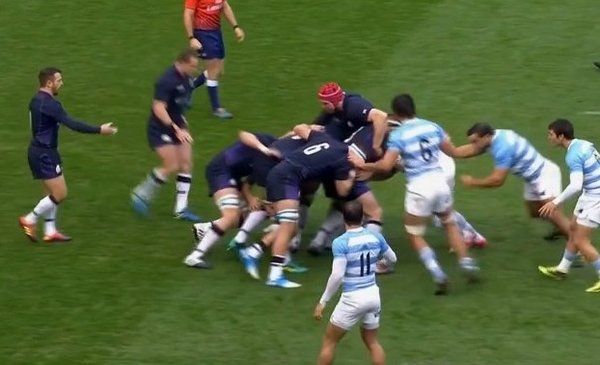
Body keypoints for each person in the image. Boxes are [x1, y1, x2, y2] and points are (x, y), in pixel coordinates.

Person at [349, 94, 479, 295]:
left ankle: (437, 273)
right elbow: (453, 151)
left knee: (414, 233)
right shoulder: (433, 126)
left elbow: (385, 165)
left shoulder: (398, 136)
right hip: (440, 183)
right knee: (449, 223)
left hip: (419, 188)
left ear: (397, 113)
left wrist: (363, 165)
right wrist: (479, 148)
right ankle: (467, 263)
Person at [19, 67, 117, 242]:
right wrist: (100, 130)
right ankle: (30, 219)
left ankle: (50, 230)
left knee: (49, 192)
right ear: (49, 83)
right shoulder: (51, 104)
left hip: (37, 150)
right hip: (45, 154)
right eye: (59, 81)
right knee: (60, 193)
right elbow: (72, 124)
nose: (61, 84)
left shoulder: (35, 100)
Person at [264, 125, 356, 288]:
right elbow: (342, 191)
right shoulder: (344, 159)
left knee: (289, 226)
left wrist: (310, 127)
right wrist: (351, 176)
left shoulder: (325, 138)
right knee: (287, 227)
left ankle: (259, 254)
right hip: (287, 180)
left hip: (281, 173)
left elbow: (299, 128)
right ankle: (273, 274)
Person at [313, 200, 396, 365]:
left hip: (352, 298)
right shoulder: (375, 236)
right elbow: (392, 258)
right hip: (373, 295)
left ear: (344, 218)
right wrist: (381, 264)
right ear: (363, 217)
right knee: (372, 342)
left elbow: (337, 276)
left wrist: (323, 301)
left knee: (330, 341)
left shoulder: (341, 243)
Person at [456, 122, 571, 239]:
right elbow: (472, 149)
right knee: (535, 212)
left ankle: (579, 245)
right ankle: (562, 224)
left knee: (550, 212)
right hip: (532, 179)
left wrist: (473, 182)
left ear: (486, 137)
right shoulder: (493, 137)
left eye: (475, 141)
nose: (473, 145)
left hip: (544, 175)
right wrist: (449, 151)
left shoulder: (503, 147)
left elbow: (497, 180)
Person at [183, 132, 277, 269]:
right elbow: (244, 135)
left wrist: (251, 199)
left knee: (246, 215)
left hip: (233, 176)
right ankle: (194, 256)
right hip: (221, 170)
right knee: (231, 215)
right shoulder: (269, 142)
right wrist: (263, 148)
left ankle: (205, 228)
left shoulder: (276, 161)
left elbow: (249, 183)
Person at [131, 49, 201, 222]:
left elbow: (179, 105)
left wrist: (183, 123)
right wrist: (175, 127)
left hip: (179, 126)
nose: (194, 70)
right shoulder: (166, 80)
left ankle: (181, 209)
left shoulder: (187, 78)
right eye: (192, 66)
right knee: (172, 164)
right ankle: (140, 194)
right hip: (161, 128)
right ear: (181, 62)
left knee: (186, 163)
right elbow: (158, 108)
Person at [538, 119, 600, 293]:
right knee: (573, 229)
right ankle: (562, 269)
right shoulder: (583, 144)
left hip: (595, 197)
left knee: (581, 241)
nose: (548, 137)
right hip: (590, 193)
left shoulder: (573, 155)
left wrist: (554, 202)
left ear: (561, 136)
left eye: (551, 134)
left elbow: (575, 185)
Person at [184, 0, 245, 119]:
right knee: (213, 72)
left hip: (216, 32)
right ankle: (217, 108)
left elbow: (224, 6)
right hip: (202, 33)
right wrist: (191, 38)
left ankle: (189, 86)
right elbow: (188, 13)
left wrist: (235, 27)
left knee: (219, 71)